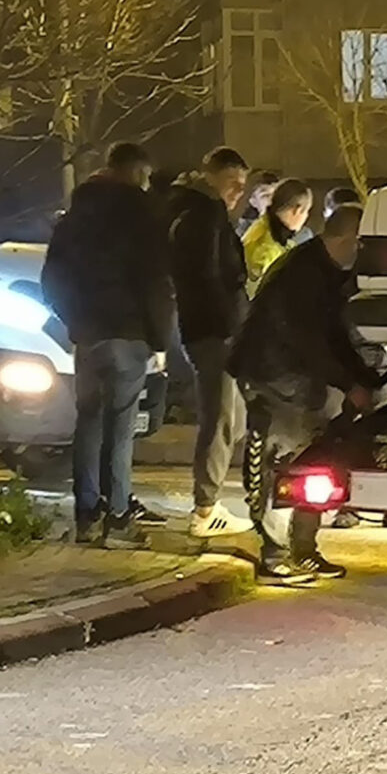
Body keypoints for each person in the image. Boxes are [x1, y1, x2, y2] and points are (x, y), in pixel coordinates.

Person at [230, 205, 379, 586]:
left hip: (297, 376)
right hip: (274, 376)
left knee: (314, 458)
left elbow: (332, 334)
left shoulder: (321, 270)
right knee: (283, 461)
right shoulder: (303, 275)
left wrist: (361, 379)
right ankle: (275, 554)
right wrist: (351, 383)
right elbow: (309, 339)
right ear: (350, 239)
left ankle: (303, 550)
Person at [42, 142, 174, 549]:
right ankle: (117, 518)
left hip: (88, 335)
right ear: (137, 172)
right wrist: (160, 338)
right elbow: (154, 281)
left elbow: (52, 279)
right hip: (128, 333)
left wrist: (74, 320)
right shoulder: (143, 215)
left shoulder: (75, 216)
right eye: (146, 176)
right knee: (120, 428)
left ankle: (86, 515)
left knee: (88, 423)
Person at [169, 146, 253, 537]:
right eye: (233, 183)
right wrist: (229, 326)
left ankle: (208, 499)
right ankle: (205, 509)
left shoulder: (195, 212)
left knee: (232, 418)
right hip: (215, 331)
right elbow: (208, 276)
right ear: (213, 176)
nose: (239, 192)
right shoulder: (205, 215)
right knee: (221, 417)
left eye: (242, 186)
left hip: (211, 328)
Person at [241, 178, 312, 293]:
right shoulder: (267, 249)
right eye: (307, 211)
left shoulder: (264, 229)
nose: (306, 217)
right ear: (297, 210)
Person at [236, 170, 282, 238]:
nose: (272, 199)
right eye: (266, 195)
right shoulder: (243, 233)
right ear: (253, 201)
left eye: (276, 194)